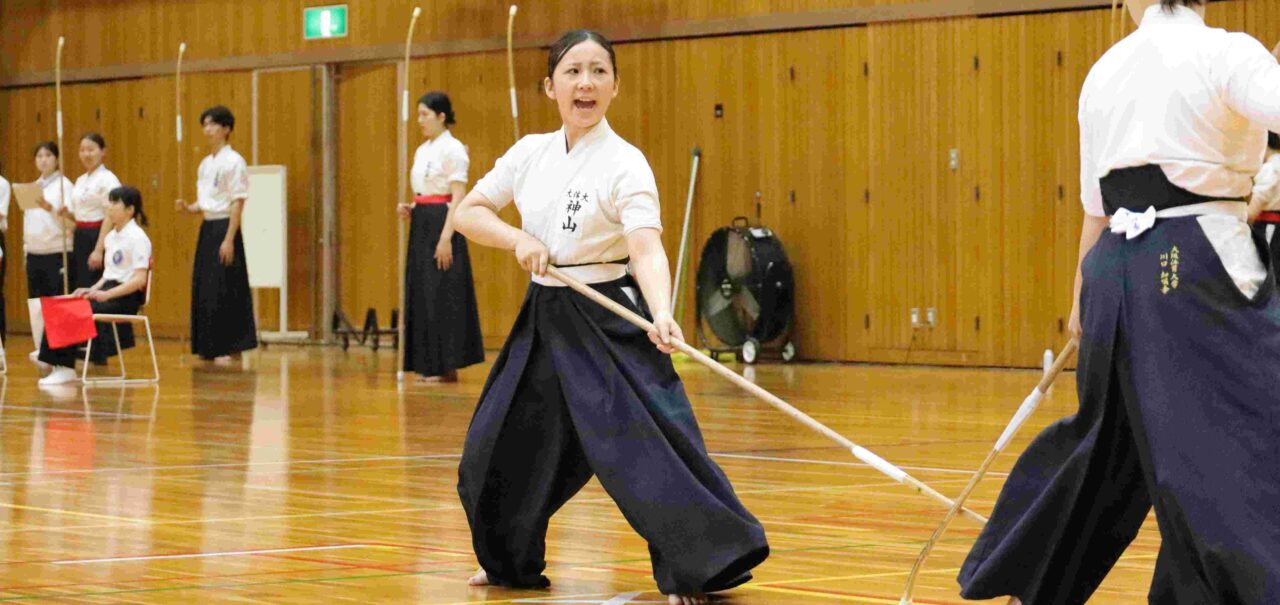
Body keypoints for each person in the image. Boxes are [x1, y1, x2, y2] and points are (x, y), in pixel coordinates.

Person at [957, 1, 1280, 603]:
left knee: (1107, 443)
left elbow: (1096, 208)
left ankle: (1029, 584)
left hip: (1112, 271)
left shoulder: (1104, 70)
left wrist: (1084, 296)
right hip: (1193, 264)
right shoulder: (1227, 53)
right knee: (1239, 438)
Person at [452, 29, 768, 605]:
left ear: (615, 86)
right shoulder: (529, 153)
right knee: (492, 446)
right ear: (550, 86)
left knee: (648, 446)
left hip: (608, 314)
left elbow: (646, 248)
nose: (586, 83)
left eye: (599, 71)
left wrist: (661, 311)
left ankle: (695, 567)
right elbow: (469, 212)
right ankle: (506, 557)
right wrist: (518, 239)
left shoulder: (626, 163)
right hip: (545, 314)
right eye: (573, 71)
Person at [400, 91, 484, 383]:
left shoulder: (454, 149)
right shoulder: (422, 150)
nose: (419, 120)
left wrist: (447, 236)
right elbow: (427, 192)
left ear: (441, 116)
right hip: (423, 222)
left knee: (441, 293)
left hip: (444, 223)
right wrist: (412, 208)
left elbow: (457, 196)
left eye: (424, 114)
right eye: (418, 114)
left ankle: (446, 364)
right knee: (422, 291)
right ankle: (427, 363)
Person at [36, 185, 151, 385]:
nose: (110, 207)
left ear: (130, 210)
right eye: (110, 202)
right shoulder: (111, 237)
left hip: (126, 298)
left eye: (115, 203)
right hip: (109, 290)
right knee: (64, 303)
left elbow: (139, 280)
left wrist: (108, 295)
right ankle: (54, 362)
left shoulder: (138, 238)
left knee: (75, 310)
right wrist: (92, 289)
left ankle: (65, 367)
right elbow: (108, 275)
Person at [175, 105, 257, 361]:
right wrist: (188, 208)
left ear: (226, 129)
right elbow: (205, 202)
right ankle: (208, 347)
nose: (208, 129)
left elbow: (237, 202)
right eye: (205, 124)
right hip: (208, 228)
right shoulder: (205, 164)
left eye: (213, 124)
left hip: (225, 227)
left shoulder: (234, 161)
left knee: (226, 287)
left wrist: (229, 239)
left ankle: (233, 346)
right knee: (205, 287)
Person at [26, 141, 74, 365]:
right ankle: (41, 350)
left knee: (57, 304)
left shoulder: (65, 186)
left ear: (56, 159)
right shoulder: (32, 188)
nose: (43, 160)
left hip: (57, 251)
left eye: (48, 155)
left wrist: (51, 209)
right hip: (34, 252)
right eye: (39, 156)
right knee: (37, 305)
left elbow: (73, 223)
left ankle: (59, 355)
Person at [66, 132, 122, 290]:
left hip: (97, 235)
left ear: (102, 151)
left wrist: (98, 250)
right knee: (80, 284)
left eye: (91, 149)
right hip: (80, 236)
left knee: (94, 285)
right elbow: (79, 215)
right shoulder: (80, 180)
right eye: (82, 150)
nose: (86, 154)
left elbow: (110, 215)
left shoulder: (108, 179)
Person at [1250, 132, 1280, 267]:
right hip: (1273, 227)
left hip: (1269, 228)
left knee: (1268, 269)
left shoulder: (1271, 167)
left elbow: (1252, 211)